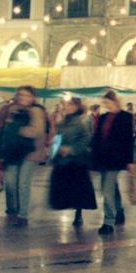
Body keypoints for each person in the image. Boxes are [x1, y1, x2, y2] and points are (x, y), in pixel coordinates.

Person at [0, 87, 48, 226]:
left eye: (27, 95)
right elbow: (0, 129)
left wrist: (19, 130)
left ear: (33, 97)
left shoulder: (36, 110)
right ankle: (12, 208)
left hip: (31, 151)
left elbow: (38, 131)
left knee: (23, 183)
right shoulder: (10, 110)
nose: (23, 98)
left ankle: (23, 215)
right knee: (10, 182)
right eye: (21, 95)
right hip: (12, 151)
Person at [91, 90, 136, 236]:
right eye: (105, 103)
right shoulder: (103, 117)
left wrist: (130, 160)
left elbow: (128, 140)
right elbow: (97, 138)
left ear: (115, 101)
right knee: (111, 187)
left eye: (108, 102)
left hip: (116, 158)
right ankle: (119, 211)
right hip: (102, 158)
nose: (106, 105)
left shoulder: (126, 117)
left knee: (107, 189)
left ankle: (108, 221)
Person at [50, 96, 96, 227]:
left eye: (71, 105)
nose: (68, 107)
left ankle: (78, 213)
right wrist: (54, 153)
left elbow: (86, 140)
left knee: (78, 189)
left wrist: (71, 150)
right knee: (67, 187)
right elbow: (57, 138)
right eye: (68, 104)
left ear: (77, 107)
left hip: (76, 161)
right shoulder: (63, 122)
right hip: (63, 160)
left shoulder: (82, 122)